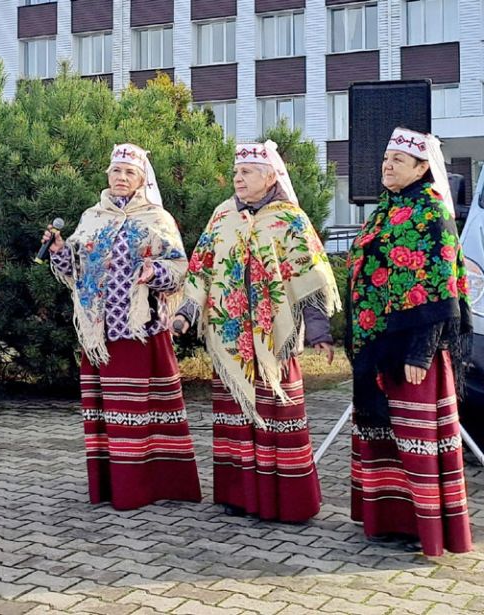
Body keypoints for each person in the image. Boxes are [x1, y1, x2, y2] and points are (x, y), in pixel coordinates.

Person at [173, 140, 341, 523]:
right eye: (236, 172)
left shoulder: (290, 220)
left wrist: (319, 333)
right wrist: (184, 314)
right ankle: (240, 497)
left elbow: (309, 279)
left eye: (246, 172)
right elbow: (201, 269)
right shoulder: (221, 216)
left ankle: (287, 502)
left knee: (276, 413)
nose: (238, 177)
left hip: (273, 342)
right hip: (230, 338)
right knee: (234, 414)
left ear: (270, 176)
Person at [45, 143, 202, 510]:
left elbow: (180, 268)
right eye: (116, 171)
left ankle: (150, 485)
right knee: (108, 411)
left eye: (129, 173)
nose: (121, 178)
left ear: (142, 179)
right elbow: (75, 272)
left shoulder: (157, 219)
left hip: (140, 328)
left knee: (141, 409)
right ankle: (112, 484)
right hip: (98, 331)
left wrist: (155, 271)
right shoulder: (91, 218)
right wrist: (58, 252)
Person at [347, 127, 473, 555]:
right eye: (385, 159)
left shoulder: (430, 212)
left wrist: (421, 349)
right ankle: (388, 521)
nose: (387, 165)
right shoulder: (387, 208)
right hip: (380, 342)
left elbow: (440, 289)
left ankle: (425, 529)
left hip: (412, 347)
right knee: (383, 430)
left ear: (422, 168)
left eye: (397, 161)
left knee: (414, 437)